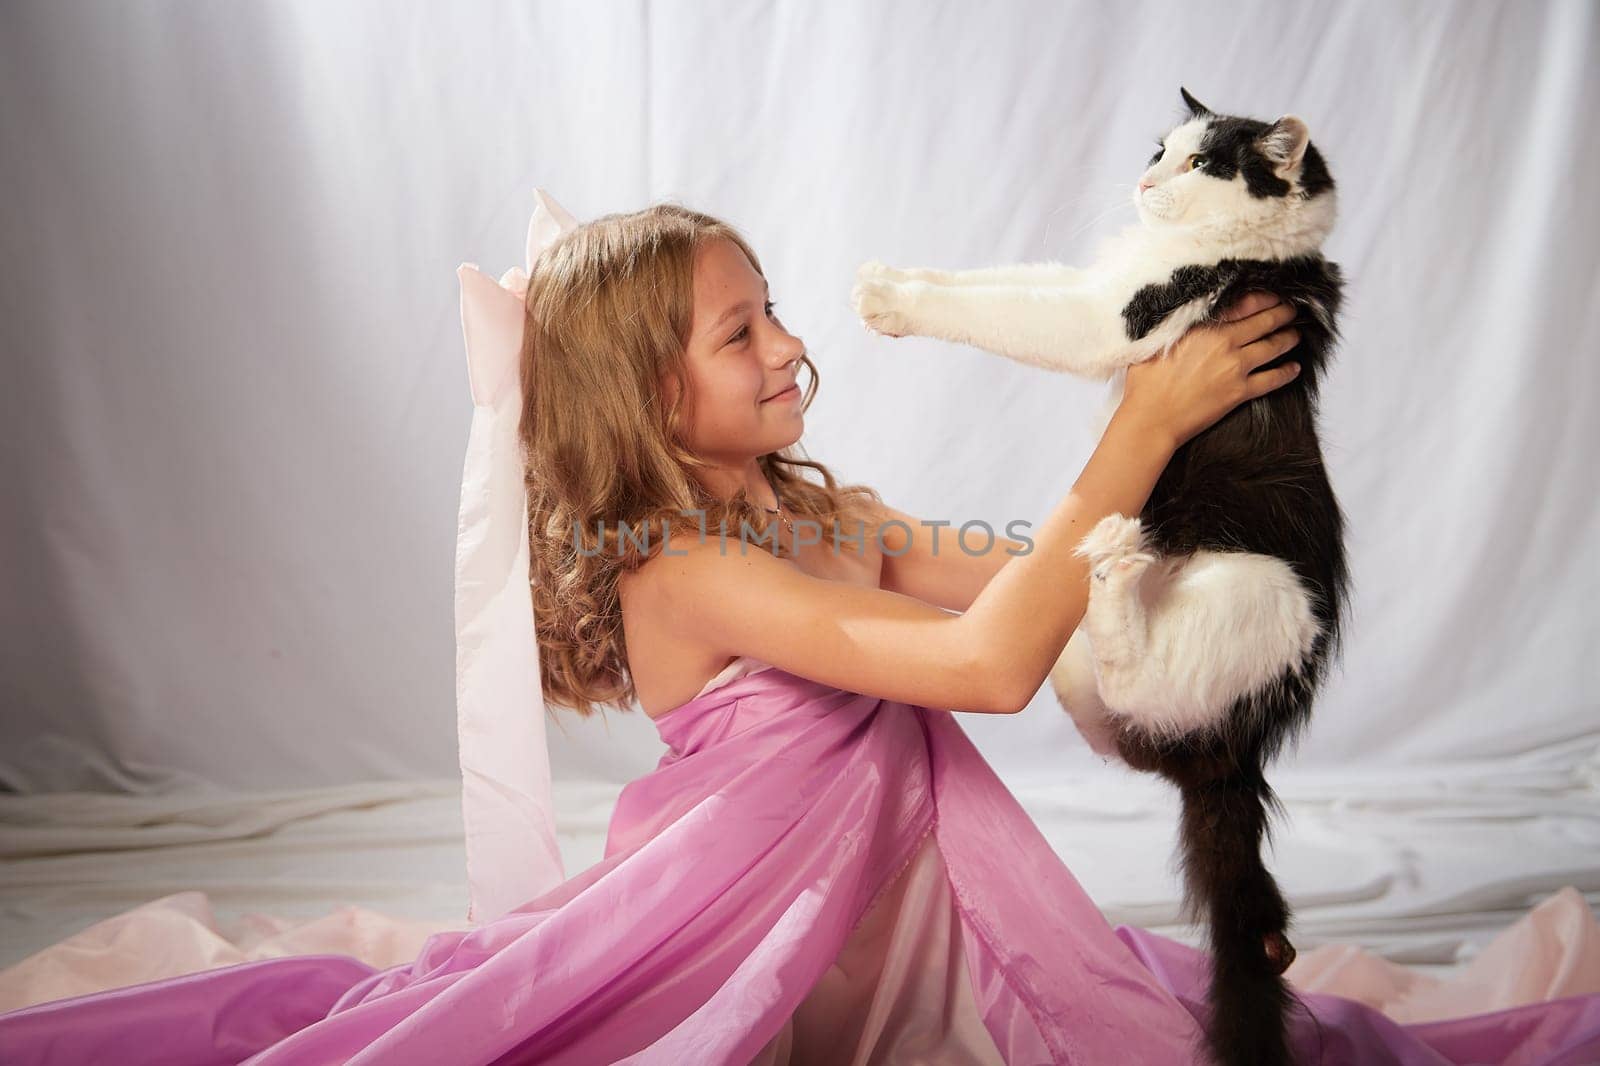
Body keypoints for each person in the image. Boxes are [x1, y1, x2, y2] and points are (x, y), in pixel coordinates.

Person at [1, 203, 1596, 1065]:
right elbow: (985, 667)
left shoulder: (823, 516)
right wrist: (1124, 452)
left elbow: (1004, 575)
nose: (786, 343)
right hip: (771, 938)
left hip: (921, 918)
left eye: (772, 306)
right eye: (739, 328)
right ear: (649, 396)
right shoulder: (678, 568)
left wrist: (1169, 476)